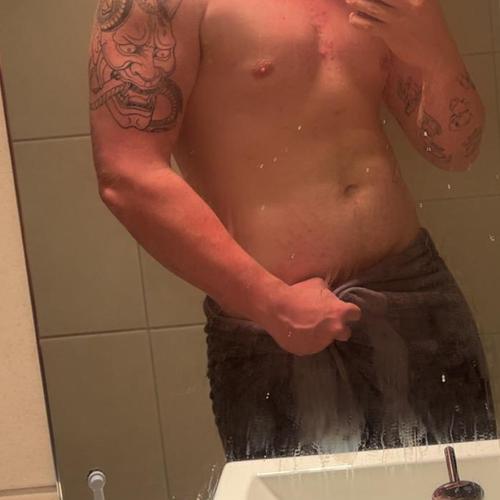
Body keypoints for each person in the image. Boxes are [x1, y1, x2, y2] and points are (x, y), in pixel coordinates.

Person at [89, 0, 497, 460]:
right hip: (278, 319)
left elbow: (455, 153)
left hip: (417, 295)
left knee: (465, 481)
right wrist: (270, 304)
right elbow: (127, 174)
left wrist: (435, 52)